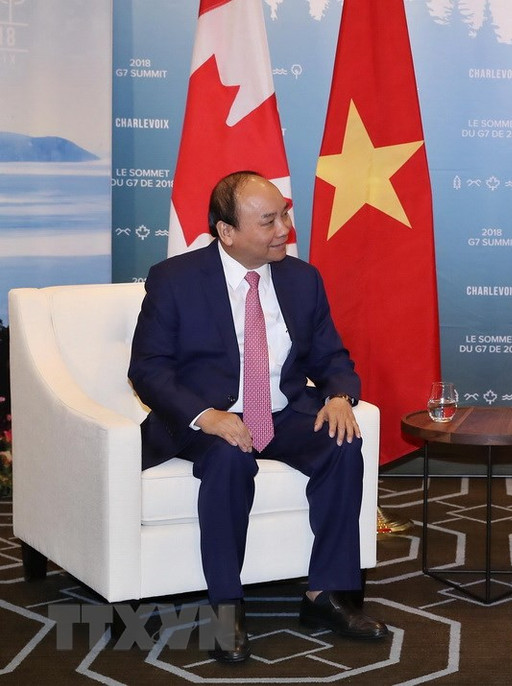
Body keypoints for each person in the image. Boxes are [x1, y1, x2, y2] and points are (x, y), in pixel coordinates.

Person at [129, 171, 388, 664]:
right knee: (229, 461)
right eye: (268, 221)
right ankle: (226, 607)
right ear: (226, 231)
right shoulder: (174, 279)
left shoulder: (302, 278)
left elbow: (331, 356)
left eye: (284, 215)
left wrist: (338, 396)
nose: (283, 229)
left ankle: (327, 595)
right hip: (209, 420)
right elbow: (148, 368)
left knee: (342, 445)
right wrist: (204, 416)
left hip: (282, 411)